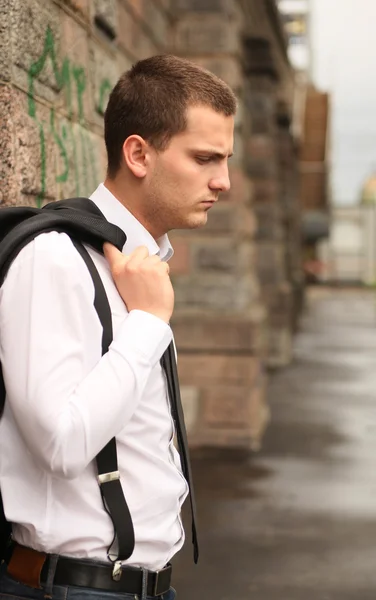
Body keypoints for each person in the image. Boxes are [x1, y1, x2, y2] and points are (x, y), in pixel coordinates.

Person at [0, 54, 236, 600]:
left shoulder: (141, 264)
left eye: (225, 159)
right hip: (72, 587)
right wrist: (149, 322)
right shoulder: (55, 259)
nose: (222, 181)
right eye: (204, 158)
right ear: (138, 154)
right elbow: (60, 442)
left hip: (140, 587)